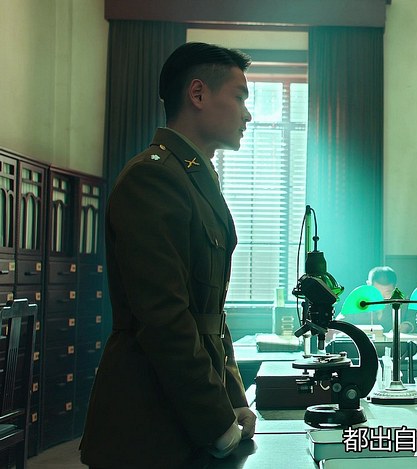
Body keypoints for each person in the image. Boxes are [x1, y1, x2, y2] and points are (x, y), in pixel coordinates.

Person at [80, 42, 256, 468]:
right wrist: (217, 422)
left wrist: (233, 399)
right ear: (197, 94)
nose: (247, 114)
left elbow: (211, 316)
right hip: (149, 423)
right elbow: (165, 319)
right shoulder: (154, 177)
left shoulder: (193, 177)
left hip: (188, 413)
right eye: (239, 97)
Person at [336, 266, 417, 333]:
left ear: (395, 287)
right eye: (377, 292)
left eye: (387, 292)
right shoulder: (357, 301)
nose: (381, 297)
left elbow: (414, 320)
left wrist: (407, 326)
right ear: (368, 285)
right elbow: (341, 320)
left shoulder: (402, 302)